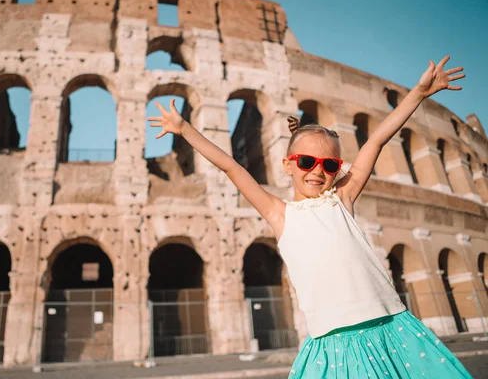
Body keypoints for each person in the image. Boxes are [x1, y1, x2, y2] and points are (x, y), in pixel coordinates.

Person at [148, 55, 472, 378]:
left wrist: (417, 93)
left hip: (390, 325)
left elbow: (377, 139)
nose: (317, 170)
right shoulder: (280, 214)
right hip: (332, 343)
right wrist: (184, 128)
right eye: (306, 162)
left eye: (329, 165)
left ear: (337, 170)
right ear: (288, 164)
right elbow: (231, 167)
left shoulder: (342, 199)